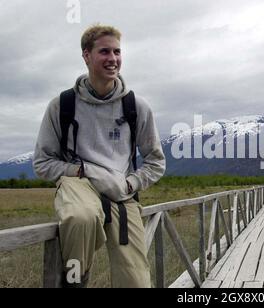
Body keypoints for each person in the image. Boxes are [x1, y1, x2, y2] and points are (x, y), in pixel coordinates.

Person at [33, 24, 166, 288]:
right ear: (86, 56)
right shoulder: (62, 105)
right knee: (79, 218)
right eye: (104, 51)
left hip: (121, 191)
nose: (113, 59)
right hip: (77, 184)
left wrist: (131, 183)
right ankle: (75, 282)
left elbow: (155, 161)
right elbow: (42, 162)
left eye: (117, 51)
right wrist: (79, 172)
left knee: (136, 282)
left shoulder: (136, 107)